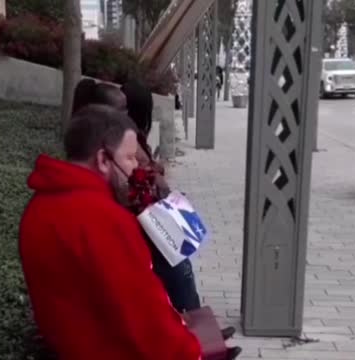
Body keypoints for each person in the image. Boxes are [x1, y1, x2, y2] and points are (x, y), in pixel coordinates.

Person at [19, 105, 202, 360]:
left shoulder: (40, 205)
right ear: (104, 159)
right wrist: (192, 352)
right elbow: (144, 316)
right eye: (129, 158)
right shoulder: (103, 219)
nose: (136, 168)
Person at [120, 80, 238, 346]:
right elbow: (135, 175)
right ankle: (202, 339)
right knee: (176, 265)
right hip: (141, 218)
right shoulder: (120, 132)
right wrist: (153, 173)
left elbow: (141, 170)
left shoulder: (128, 131)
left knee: (180, 262)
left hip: (147, 214)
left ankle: (204, 335)